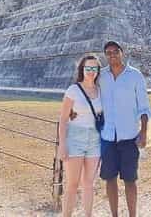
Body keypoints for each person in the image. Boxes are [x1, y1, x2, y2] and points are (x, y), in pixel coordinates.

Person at [98, 41, 151, 217]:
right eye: (108, 52)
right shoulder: (101, 77)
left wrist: (143, 132)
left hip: (129, 137)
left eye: (115, 51)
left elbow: (144, 108)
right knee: (110, 179)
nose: (112, 55)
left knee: (130, 180)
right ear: (105, 55)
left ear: (122, 53)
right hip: (107, 138)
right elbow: (89, 98)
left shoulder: (135, 76)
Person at [58, 55, 103, 217]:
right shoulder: (73, 90)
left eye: (94, 68)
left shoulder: (100, 91)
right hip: (75, 138)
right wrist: (62, 144)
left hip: (94, 140)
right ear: (82, 70)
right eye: (87, 68)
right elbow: (63, 118)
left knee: (89, 184)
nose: (91, 71)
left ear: (98, 71)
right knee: (72, 184)